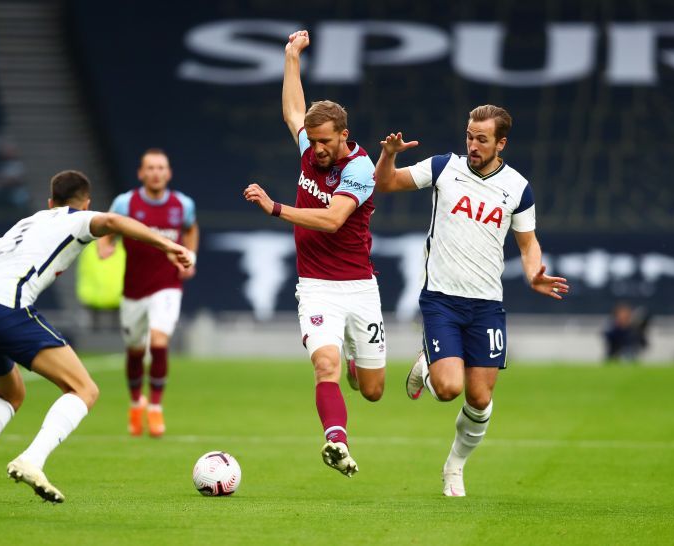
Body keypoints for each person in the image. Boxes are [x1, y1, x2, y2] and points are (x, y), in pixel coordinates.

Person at [0, 170, 194, 517]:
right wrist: (169, 244)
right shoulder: (78, 219)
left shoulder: (24, 225)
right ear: (86, 202)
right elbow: (113, 220)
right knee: (84, 389)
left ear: (49, 202)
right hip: (6, 307)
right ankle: (32, 460)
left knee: (10, 395)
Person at [373, 105, 570, 496]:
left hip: (485, 305)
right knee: (448, 389)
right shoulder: (444, 167)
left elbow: (528, 244)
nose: (473, 145)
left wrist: (534, 274)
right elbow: (386, 183)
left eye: (482, 139)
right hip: (442, 299)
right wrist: (389, 154)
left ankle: (454, 467)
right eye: (469, 136)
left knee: (479, 399)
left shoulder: (517, 187)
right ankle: (428, 364)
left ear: (501, 142)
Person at [243, 30, 386, 478]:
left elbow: (331, 220)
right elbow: (291, 110)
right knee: (323, 365)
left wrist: (276, 208)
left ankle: (353, 358)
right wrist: (291, 57)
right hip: (317, 287)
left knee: (373, 390)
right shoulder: (310, 147)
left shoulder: (360, 168)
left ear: (344, 135)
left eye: (326, 141)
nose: (317, 148)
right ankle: (337, 441)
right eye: (314, 140)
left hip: (360, 286)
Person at [96, 149, 199, 438]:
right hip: (133, 290)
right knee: (135, 350)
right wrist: (107, 244)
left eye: (161, 168)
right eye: (150, 168)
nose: (156, 172)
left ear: (168, 173)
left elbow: (191, 229)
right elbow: (108, 226)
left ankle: (155, 407)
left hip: (167, 285)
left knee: (159, 341)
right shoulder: (126, 203)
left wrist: (190, 256)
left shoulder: (183, 204)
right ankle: (135, 404)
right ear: (141, 173)